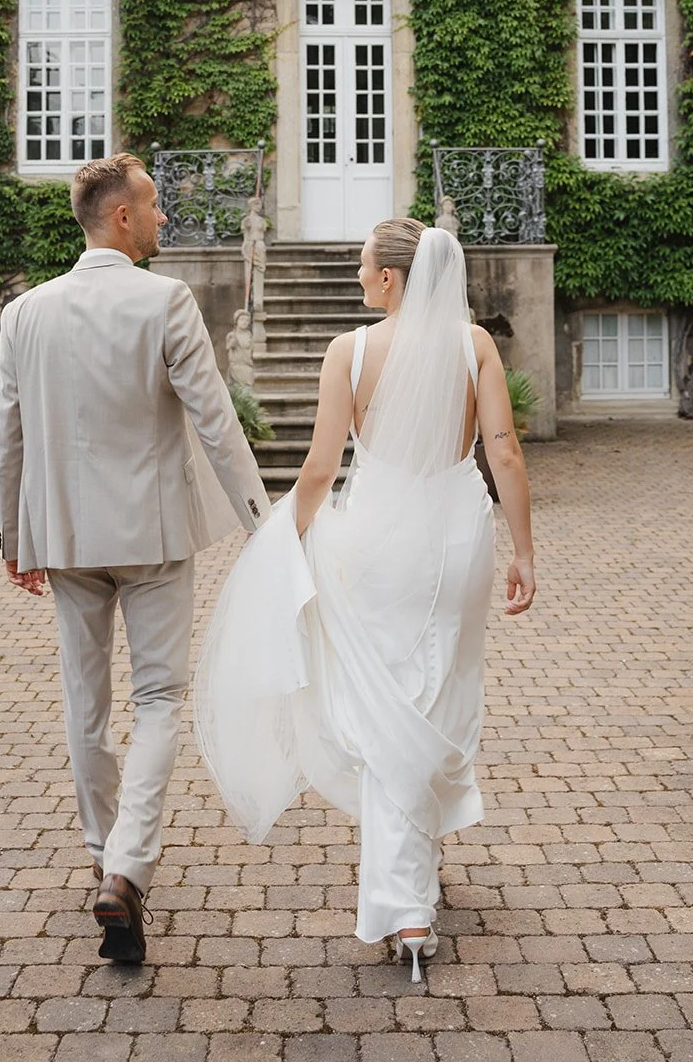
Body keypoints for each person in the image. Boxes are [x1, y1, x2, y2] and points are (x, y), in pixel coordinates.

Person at [194, 218, 536, 979]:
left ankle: (405, 909)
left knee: (388, 705)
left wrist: (289, 531)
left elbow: (320, 467)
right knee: (437, 687)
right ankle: (415, 873)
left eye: (361, 266)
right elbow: (503, 450)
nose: (355, 277)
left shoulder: (350, 353)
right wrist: (524, 550)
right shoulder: (471, 343)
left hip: (381, 535)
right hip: (458, 530)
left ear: (388, 278)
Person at [0, 153, 270, 966]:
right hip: (151, 537)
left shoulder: (25, 313)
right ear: (119, 217)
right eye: (152, 206)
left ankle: (99, 851)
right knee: (157, 699)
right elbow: (215, 421)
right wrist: (264, 523)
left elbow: (7, 434)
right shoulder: (164, 301)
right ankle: (126, 867)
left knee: (85, 701)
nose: (160, 219)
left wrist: (13, 534)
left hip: (66, 536)